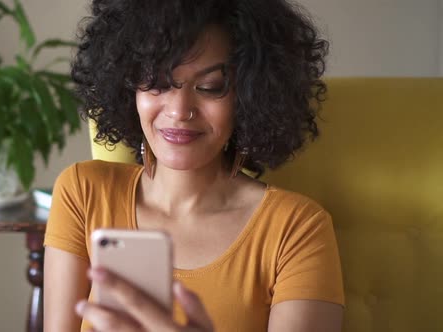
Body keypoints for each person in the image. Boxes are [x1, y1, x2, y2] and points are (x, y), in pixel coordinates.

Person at [44, 0, 345, 331]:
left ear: (249, 96)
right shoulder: (83, 192)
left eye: (210, 87)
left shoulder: (297, 230)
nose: (179, 110)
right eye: (157, 82)